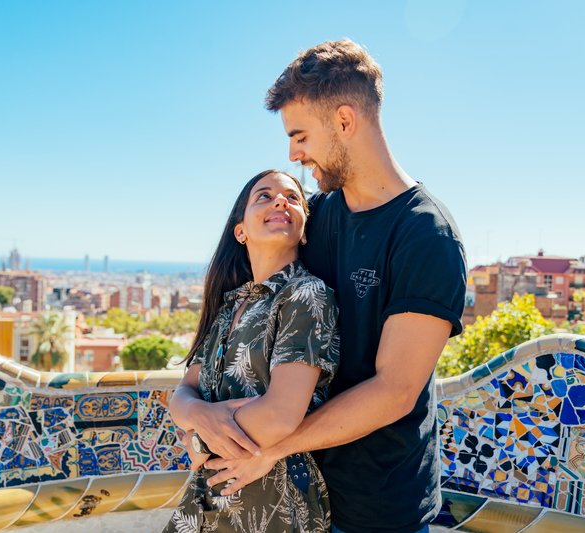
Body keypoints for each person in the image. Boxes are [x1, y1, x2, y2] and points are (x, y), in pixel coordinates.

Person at [200, 40, 468, 533]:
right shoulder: (315, 216)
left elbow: (395, 391)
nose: (293, 154)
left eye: (300, 135)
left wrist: (269, 446)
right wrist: (193, 409)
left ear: (344, 121)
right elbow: (255, 304)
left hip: (375, 510)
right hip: (297, 497)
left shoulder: (425, 236)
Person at [163, 169, 340, 533]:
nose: (280, 201)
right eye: (264, 196)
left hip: (272, 505)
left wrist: (198, 436)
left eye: (293, 198)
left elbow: (279, 415)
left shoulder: (304, 295)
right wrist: (197, 411)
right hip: (207, 502)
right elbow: (181, 394)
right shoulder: (229, 307)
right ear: (240, 230)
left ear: (304, 230)